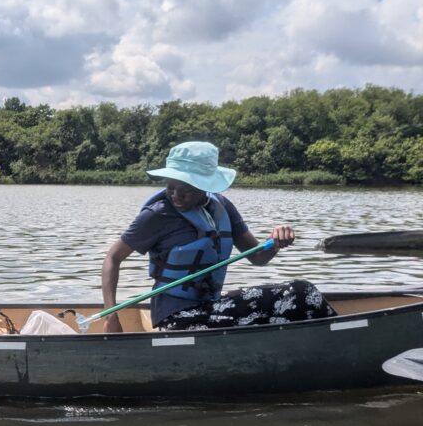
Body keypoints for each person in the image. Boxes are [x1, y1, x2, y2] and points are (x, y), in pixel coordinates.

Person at [100, 141, 336, 333]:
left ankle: (332, 343)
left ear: (205, 186)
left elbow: (258, 258)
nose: (176, 195)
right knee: (285, 310)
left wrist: (275, 241)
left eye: (186, 189)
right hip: (176, 318)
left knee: (302, 293)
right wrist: (111, 316)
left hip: (211, 306)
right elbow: (113, 258)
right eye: (171, 186)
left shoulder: (222, 207)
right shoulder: (157, 215)